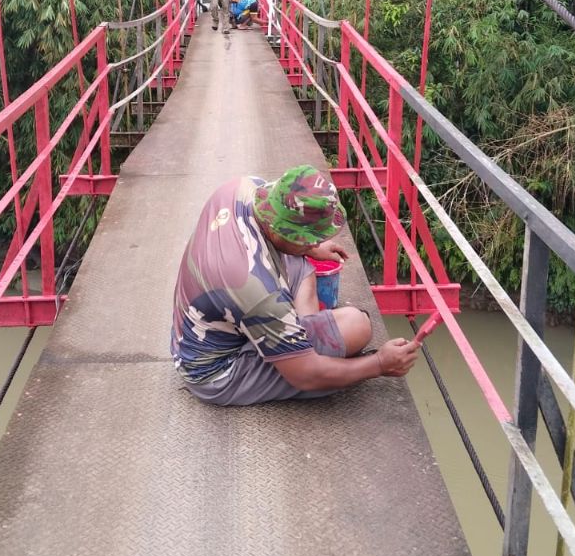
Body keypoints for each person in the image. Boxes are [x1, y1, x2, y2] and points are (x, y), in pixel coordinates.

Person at [171, 163, 419, 406]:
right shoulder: (256, 289)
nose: (315, 244)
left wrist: (309, 247)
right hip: (216, 371)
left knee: (300, 264)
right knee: (357, 326)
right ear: (283, 232)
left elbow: (279, 243)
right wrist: (378, 364)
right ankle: (293, 346)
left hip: (200, 330)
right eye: (309, 239)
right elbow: (305, 375)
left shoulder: (242, 188)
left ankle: (291, 338)